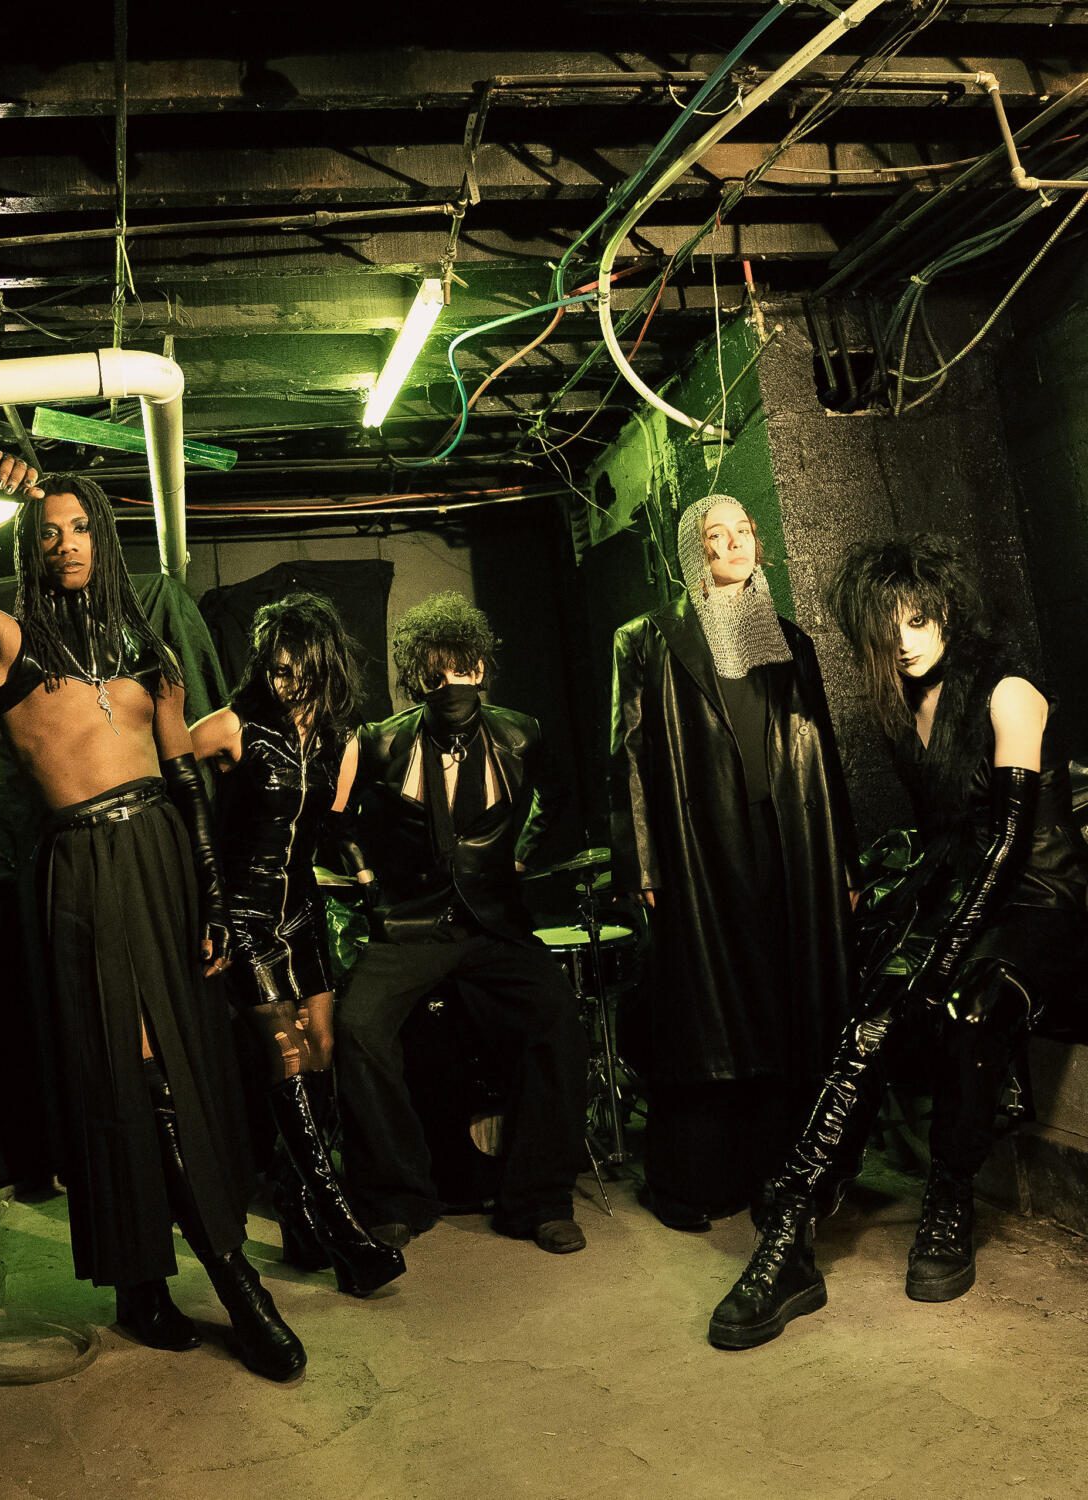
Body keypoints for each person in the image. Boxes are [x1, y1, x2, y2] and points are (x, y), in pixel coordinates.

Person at [0, 451, 306, 1382]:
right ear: (32, 546)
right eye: (49, 532)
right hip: (85, 863)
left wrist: (214, 894)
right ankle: (231, 1283)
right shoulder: (3, 640)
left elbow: (183, 774)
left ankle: (145, 1286)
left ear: (105, 536)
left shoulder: (147, 649)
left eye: (81, 527)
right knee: (127, 1069)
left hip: (165, 855)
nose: (66, 544)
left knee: (189, 1065)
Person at [708, 535, 1088, 1350]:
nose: (907, 642)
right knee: (871, 1018)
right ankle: (792, 1233)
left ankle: (949, 1200)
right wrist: (920, 940)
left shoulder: (1010, 693)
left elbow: (1008, 846)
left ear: (947, 611)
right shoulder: (902, 707)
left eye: (919, 620)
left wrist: (944, 953)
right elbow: (947, 840)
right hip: (961, 894)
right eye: (889, 630)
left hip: (1040, 900)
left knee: (969, 1006)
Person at [610, 495, 856, 1232]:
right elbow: (628, 755)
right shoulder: (647, 638)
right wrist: (643, 863)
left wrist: (843, 864)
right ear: (695, 552)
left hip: (788, 842)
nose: (733, 546)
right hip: (699, 842)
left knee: (782, 1004)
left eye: (742, 532)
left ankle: (774, 1175)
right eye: (714, 537)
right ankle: (690, 1183)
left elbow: (823, 753)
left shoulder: (789, 640)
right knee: (707, 1012)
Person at [332, 591, 589, 1254]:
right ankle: (396, 1196)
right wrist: (365, 876)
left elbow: (557, 795)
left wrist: (523, 852)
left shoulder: (521, 732)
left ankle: (540, 1199)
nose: (453, 684)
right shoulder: (381, 741)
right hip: (411, 923)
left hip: (494, 922)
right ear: (418, 676)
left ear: (482, 668)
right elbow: (340, 820)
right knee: (357, 1028)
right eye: (437, 672)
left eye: (464, 668)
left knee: (557, 1018)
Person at [190, 593, 405, 1296]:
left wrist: (366, 877)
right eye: (277, 670)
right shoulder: (233, 727)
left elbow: (329, 827)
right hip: (246, 917)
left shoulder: (344, 743)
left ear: (326, 667)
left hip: (303, 916)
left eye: (301, 671)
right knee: (286, 1057)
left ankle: (296, 1212)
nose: (287, 684)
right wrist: (203, 898)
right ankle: (344, 1231)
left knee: (321, 1056)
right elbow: (169, 779)